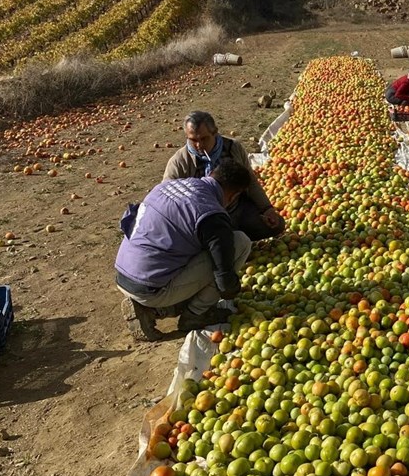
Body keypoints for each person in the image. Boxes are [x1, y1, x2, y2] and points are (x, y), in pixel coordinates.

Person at [115, 159, 253, 342]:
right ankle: (195, 314)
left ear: (211, 175)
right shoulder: (212, 215)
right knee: (240, 243)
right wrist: (236, 292)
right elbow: (225, 282)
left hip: (123, 275)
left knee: (196, 246)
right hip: (150, 287)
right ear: (234, 196)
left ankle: (151, 310)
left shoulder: (169, 185)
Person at [164, 111, 284, 242]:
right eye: (193, 140)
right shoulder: (179, 162)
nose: (199, 145)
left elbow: (250, 181)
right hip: (203, 220)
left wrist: (266, 209)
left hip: (236, 209)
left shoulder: (233, 148)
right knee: (218, 244)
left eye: (204, 139)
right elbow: (167, 200)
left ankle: (233, 235)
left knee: (276, 225)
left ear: (215, 132)